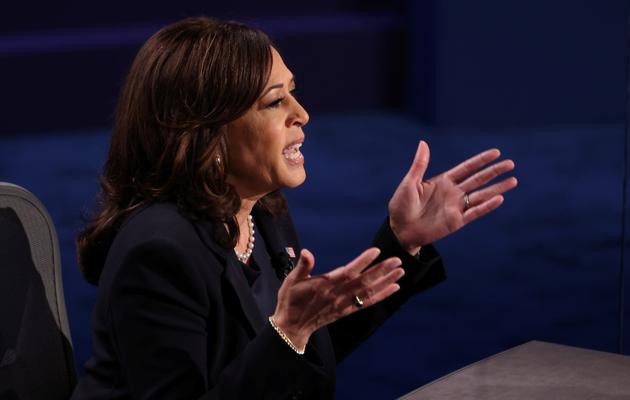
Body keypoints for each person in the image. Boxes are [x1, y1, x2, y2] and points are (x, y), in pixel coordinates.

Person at [71, 17, 517, 399]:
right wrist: (289, 334)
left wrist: (402, 241)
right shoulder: (159, 252)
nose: (301, 114)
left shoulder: (261, 212)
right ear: (208, 131)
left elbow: (302, 349)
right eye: (275, 101)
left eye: (293, 93)